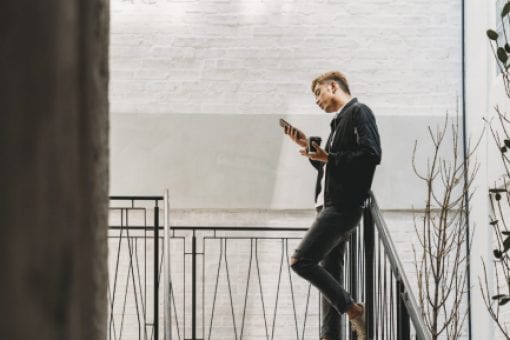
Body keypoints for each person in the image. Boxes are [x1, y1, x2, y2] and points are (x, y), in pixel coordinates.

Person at [283, 71, 381, 340]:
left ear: (333, 86)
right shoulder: (338, 124)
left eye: (318, 93)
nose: (316, 101)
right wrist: (308, 146)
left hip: (342, 207)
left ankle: (354, 309)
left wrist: (331, 156)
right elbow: (332, 166)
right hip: (330, 206)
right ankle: (330, 336)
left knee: (300, 260)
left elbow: (371, 154)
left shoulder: (359, 112)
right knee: (330, 274)